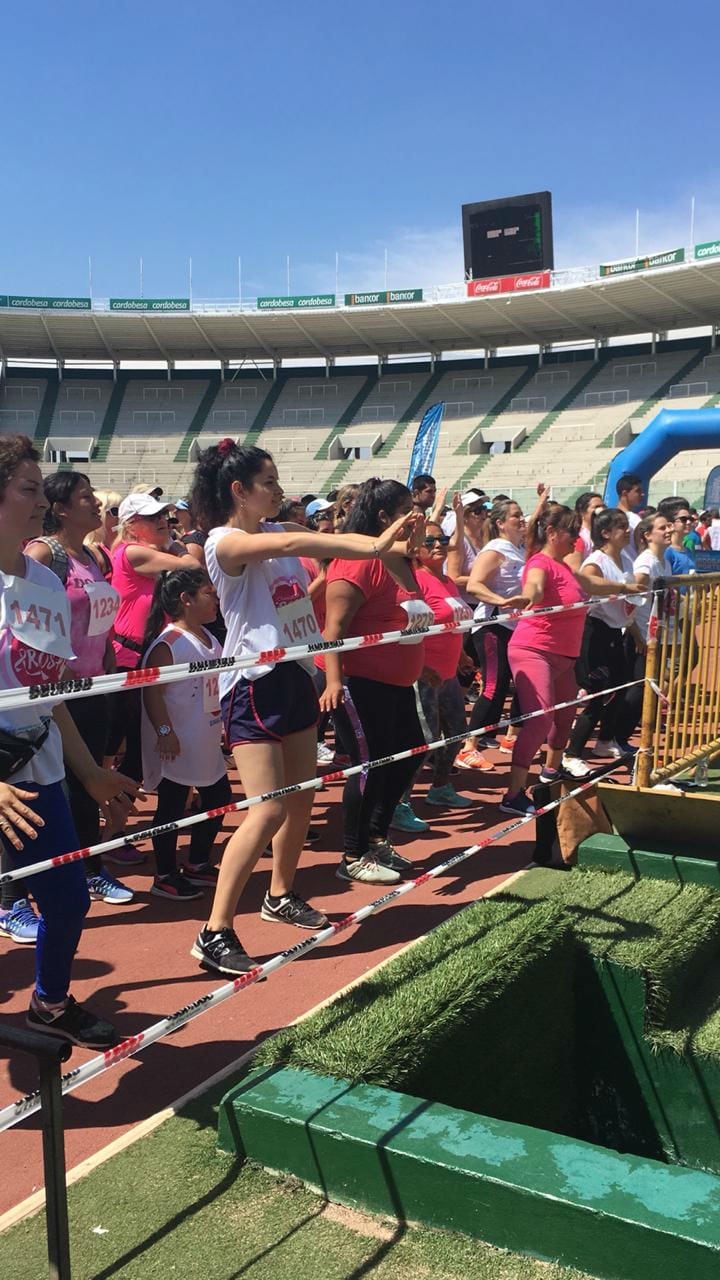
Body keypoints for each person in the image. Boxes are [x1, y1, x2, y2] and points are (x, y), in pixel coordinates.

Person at [187, 441, 414, 974]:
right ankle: (214, 930)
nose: (277, 489)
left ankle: (280, 894)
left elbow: (317, 557)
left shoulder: (272, 539)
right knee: (266, 808)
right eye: (267, 482)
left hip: (294, 674)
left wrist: (388, 546)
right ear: (238, 491)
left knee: (303, 795)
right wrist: (376, 542)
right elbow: (298, 536)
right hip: (254, 684)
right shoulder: (225, 541)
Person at [0, 435, 138, 1047]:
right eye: (28, 489)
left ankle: (49, 1004)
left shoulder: (46, 584)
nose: (41, 501)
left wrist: (89, 773)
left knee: (68, 897)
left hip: (40, 772)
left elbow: (48, 692)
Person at [25, 472, 133, 908]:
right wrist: (58, 667)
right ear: (61, 509)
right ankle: (29, 886)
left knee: (91, 784)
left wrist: (106, 655)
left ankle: (89, 869)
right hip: (56, 693)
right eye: (85, 497)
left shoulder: (94, 555)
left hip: (96, 687)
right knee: (56, 787)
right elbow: (26, 624)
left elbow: (98, 615)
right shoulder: (43, 554)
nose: (96, 504)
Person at [321, 478, 433, 884]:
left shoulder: (402, 559)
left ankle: (376, 836)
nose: (418, 516)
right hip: (358, 681)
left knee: (411, 751)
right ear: (385, 517)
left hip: (398, 683)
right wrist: (334, 682)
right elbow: (332, 628)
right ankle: (351, 853)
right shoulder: (358, 562)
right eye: (409, 510)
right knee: (368, 766)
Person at [501, 503, 640, 816]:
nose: (577, 538)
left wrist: (627, 587)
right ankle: (512, 794)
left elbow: (592, 584)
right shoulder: (540, 563)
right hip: (533, 649)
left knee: (565, 718)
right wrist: (529, 596)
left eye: (579, 532)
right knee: (540, 720)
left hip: (566, 654)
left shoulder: (567, 566)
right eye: (572, 532)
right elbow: (534, 586)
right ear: (552, 533)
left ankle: (551, 773)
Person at [140, 567, 232, 900]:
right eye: (208, 594)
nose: (215, 600)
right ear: (186, 600)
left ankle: (197, 862)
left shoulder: (211, 638)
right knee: (171, 808)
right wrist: (165, 732)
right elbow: (151, 692)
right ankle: (164, 874)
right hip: (176, 742)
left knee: (219, 799)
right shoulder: (169, 644)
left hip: (205, 736)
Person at [392, 500, 475, 833]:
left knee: (455, 733)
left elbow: (450, 624)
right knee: (422, 741)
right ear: (416, 549)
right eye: (429, 542)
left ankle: (440, 788)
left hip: (449, 673)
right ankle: (399, 804)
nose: (438, 545)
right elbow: (406, 628)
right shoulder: (415, 581)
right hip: (423, 674)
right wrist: (422, 666)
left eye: (441, 540)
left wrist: (464, 657)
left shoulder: (448, 581)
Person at [564, 508, 644, 764]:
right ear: (606, 533)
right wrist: (623, 586)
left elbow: (626, 605)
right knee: (599, 694)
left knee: (621, 688)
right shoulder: (596, 561)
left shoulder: (627, 561)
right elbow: (588, 584)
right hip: (595, 631)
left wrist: (637, 634)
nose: (628, 531)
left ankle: (605, 741)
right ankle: (572, 754)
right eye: (622, 526)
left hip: (616, 633)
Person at [459, 499, 530, 767]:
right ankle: (468, 746)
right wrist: (502, 602)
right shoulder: (495, 549)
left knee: (522, 681)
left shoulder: (519, 549)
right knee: (493, 685)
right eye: (515, 516)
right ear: (500, 523)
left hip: (517, 626)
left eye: (522, 514)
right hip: (493, 624)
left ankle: (511, 737)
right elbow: (475, 585)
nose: (521, 519)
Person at [444, 490, 490, 599]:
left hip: (485, 601)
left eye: (484, 509)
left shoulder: (486, 538)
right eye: (477, 511)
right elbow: (453, 578)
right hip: (467, 603)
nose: (483, 514)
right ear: (464, 516)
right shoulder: (460, 542)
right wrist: (485, 579)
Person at [84, 489, 121, 566]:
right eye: (116, 511)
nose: (121, 515)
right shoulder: (91, 553)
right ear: (100, 514)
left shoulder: (125, 547)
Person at [572, 492, 605, 559]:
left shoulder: (603, 533)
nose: (601, 510)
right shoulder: (579, 536)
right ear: (582, 512)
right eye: (596, 507)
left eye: (603, 506)